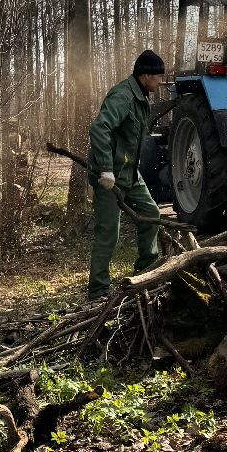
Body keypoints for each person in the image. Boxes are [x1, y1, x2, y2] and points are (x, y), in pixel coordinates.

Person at [87, 50, 166, 301]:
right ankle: (98, 290)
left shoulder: (141, 96)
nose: (161, 81)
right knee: (109, 233)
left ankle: (146, 271)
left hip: (129, 173)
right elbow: (100, 128)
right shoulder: (122, 96)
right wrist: (106, 168)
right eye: (158, 76)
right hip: (109, 176)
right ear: (145, 76)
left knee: (151, 215)